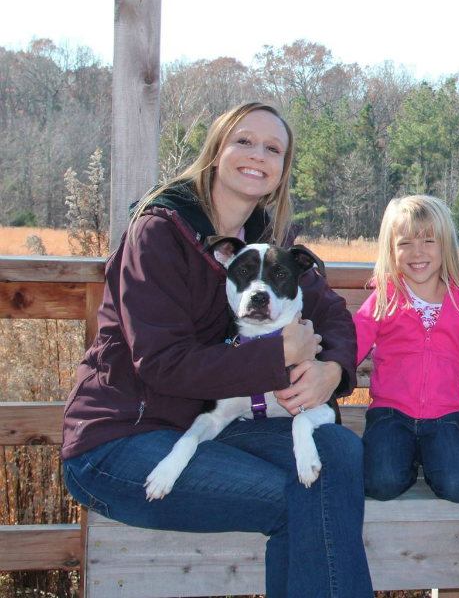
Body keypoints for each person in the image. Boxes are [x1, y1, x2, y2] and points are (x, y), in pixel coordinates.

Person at [60, 102, 373, 597]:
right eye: (244, 141)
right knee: (306, 497)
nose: (258, 155)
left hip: (212, 428)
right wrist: (280, 355)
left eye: (273, 148)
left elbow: (332, 313)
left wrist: (332, 370)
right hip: (125, 439)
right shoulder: (159, 231)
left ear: (283, 168)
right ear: (215, 151)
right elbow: (161, 364)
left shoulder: (267, 245)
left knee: (337, 447)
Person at [354, 195, 459, 503]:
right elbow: (351, 345)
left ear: (445, 246)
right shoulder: (384, 299)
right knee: (381, 483)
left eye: (428, 241)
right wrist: (325, 370)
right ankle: (407, 460)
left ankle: (430, 458)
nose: (417, 252)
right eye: (405, 243)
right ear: (391, 250)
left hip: (446, 415)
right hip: (390, 413)